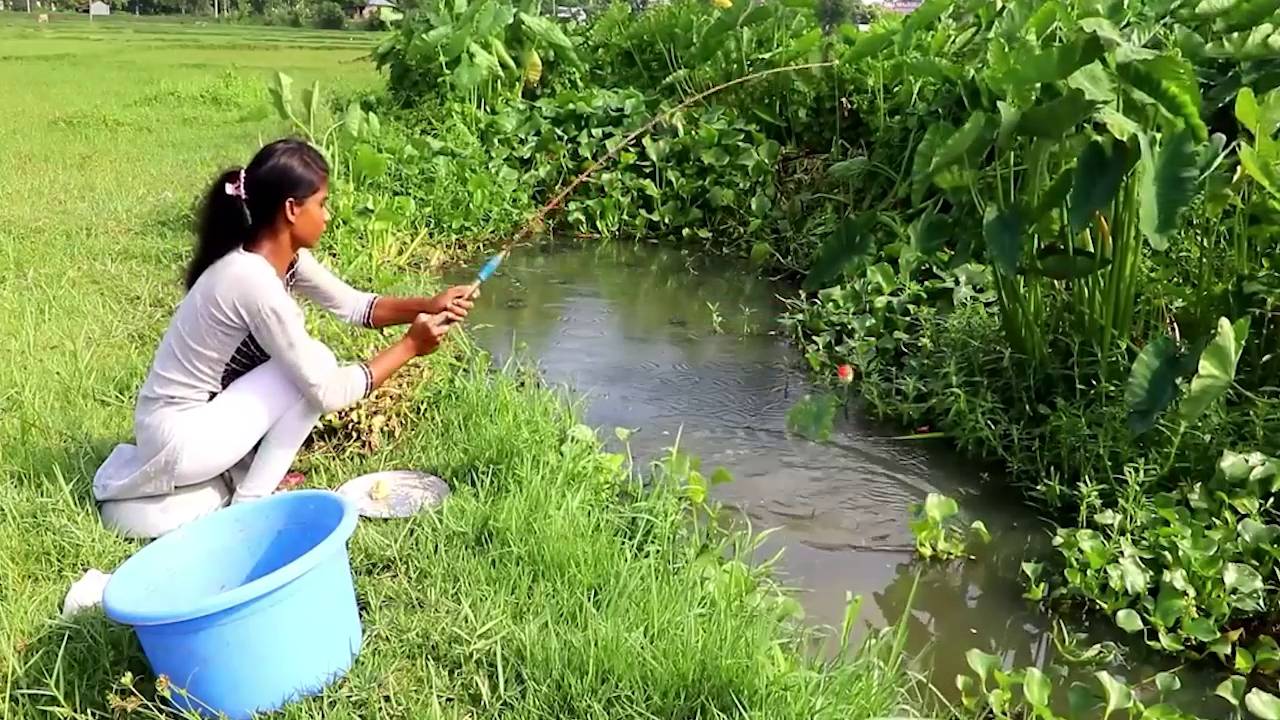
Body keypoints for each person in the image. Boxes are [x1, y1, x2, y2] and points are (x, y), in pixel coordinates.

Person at [93, 138, 474, 538]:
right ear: (292, 209)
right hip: (180, 441)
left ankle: (246, 489)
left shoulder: (276, 259)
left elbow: (355, 307)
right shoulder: (254, 283)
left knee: (310, 364)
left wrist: (428, 304)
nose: (327, 217)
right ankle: (250, 508)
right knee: (317, 366)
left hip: (183, 428)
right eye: (322, 203)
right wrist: (410, 347)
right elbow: (328, 394)